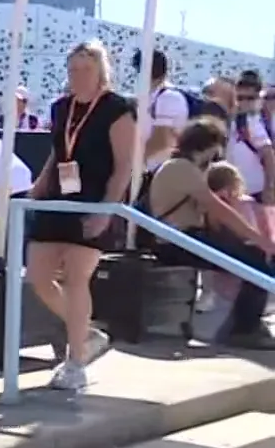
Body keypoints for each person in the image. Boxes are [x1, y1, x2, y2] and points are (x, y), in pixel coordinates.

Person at [25, 41, 136, 393]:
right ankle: (85, 331)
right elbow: (58, 152)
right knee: (39, 277)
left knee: (77, 277)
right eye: (73, 69)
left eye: (85, 69)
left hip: (93, 200)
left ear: (101, 71)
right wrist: (38, 187)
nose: (77, 76)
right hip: (59, 198)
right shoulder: (62, 108)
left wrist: (105, 211)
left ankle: (75, 361)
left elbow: (124, 167)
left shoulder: (118, 109)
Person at [145, 120, 275, 348]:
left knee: (252, 256)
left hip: (183, 238)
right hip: (179, 241)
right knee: (255, 261)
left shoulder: (180, 167)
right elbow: (218, 209)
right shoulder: (181, 168)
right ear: (208, 145)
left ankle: (244, 324)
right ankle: (245, 328)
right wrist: (259, 239)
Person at [228, 69, 275, 208]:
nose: (244, 103)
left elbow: (268, 155)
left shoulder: (253, 121)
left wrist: (270, 188)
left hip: (258, 192)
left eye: (250, 98)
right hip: (239, 190)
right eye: (240, 98)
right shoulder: (234, 120)